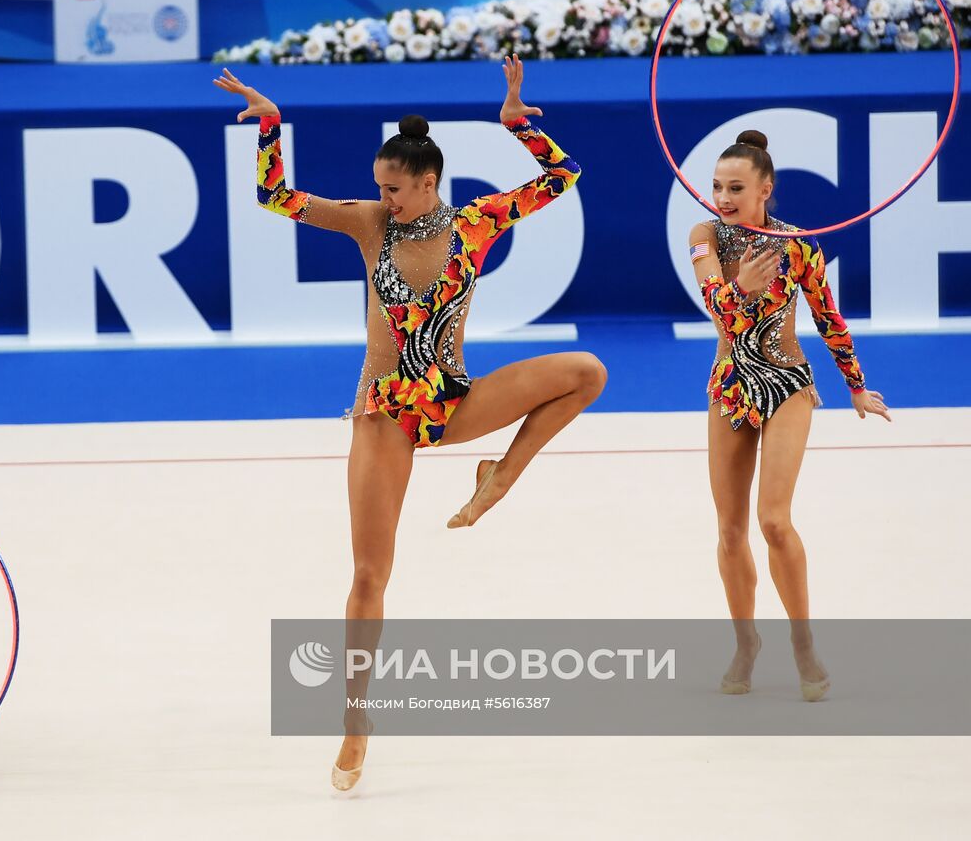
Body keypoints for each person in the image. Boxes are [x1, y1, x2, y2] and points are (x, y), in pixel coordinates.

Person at [215, 58, 605, 790]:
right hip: (386, 412)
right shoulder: (368, 226)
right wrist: (270, 123)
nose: (382, 198)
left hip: (453, 401)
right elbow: (275, 196)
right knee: (370, 572)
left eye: (393, 187)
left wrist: (518, 122)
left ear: (427, 183)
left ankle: (500, 475)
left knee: (587, 372)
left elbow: (564, 177)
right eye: (380, 187)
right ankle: (356, 717)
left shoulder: (476, 222)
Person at [688, 131, 890, 703]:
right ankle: (746, 642)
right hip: (730, 387)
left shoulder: (798, 246)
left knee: (773, 521)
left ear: (765, 189)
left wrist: (856, 386)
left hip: (787, 385)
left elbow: (829, 316)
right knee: (729, 530)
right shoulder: (704, 238)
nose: (722, 198)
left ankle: (803, 643)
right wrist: (737, 287)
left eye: (735, 188)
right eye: (717, 187)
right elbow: (714, 303)